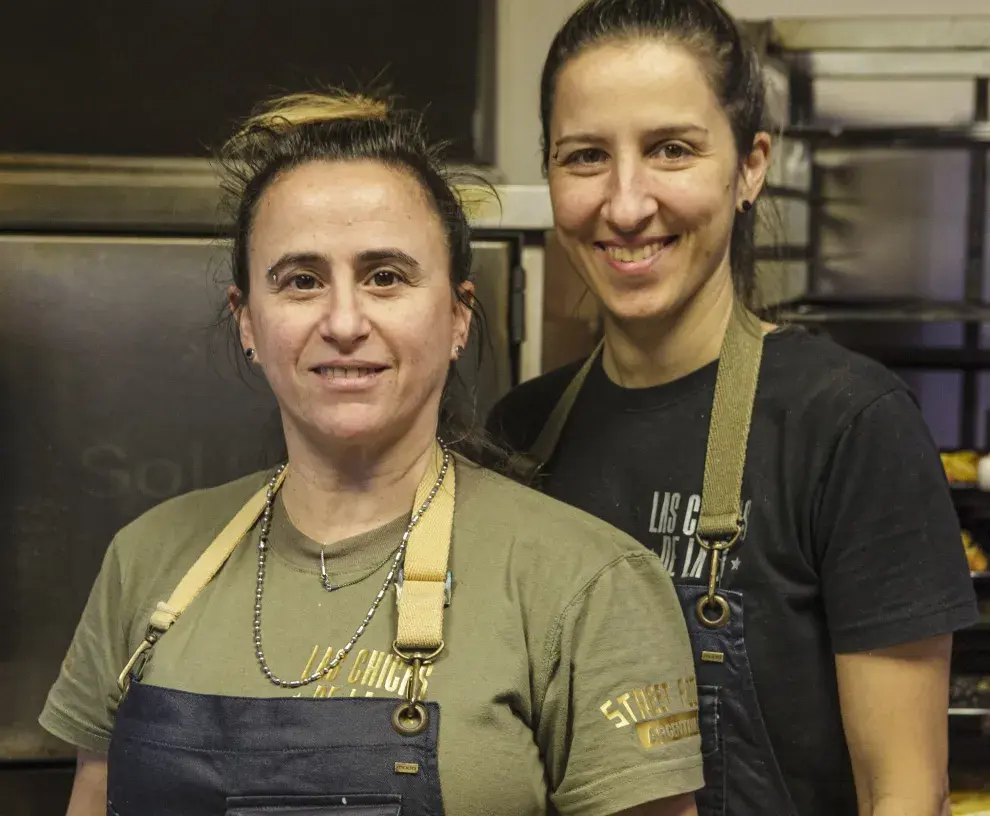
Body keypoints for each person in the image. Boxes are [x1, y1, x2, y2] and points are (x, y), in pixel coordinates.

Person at [39, 90, 706, 816]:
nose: (345, 321)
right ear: (248, 323)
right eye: (301, 281)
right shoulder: (145, 563)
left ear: (457, 316)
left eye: (385, 276)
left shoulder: (588, 586)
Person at [486, 2, 980, 815]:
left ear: (751, 166)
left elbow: (905, 793)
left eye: (671, 149)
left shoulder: (847, 424)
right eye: (584, 157)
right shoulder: (518, 436)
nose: (626, 202)